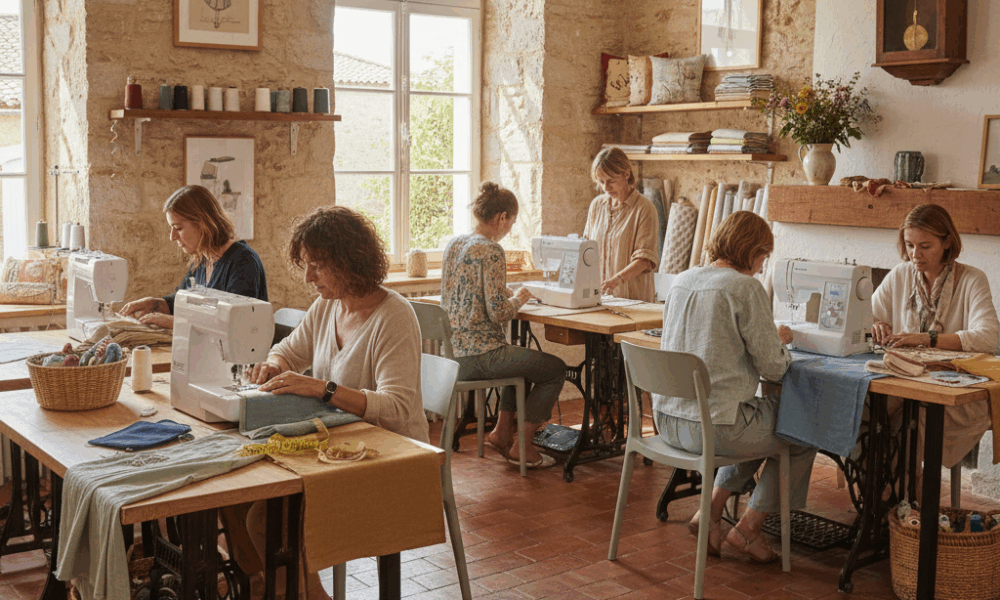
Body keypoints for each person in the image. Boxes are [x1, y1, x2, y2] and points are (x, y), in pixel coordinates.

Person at [233, 205, 427, 600]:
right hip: (339, 446)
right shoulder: (328, 306)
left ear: (349, 262)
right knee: (236, 498)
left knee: (267, 518)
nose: (308, 277)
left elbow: (397, 407)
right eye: (305, 265)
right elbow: (289, 350)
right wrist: (273, 364)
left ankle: (299, 592)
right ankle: (287, 588)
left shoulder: (394, 317)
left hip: (393, 460)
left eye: (317, 266)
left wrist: (323, 389)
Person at [655, 211, 817, 563]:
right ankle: (748, 529)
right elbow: (774, 367)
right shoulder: (745, 288)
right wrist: (779, 341)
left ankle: (710, 514)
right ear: (753, 251)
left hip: (667, 422)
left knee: (757, 420)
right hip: (713, 430)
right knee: (805, 427)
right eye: (763, 257)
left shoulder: (682, 280)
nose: (761, 267)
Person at [441, 181, 566, 469]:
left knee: (521, 361)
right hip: (481, 356)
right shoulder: (492, 250)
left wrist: (502, 292)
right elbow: (498, 313)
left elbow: (468, 291)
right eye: (511, 222)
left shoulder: (455, 243)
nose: (509, 228)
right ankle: (524, 447)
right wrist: (520, 297)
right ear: (502, 217)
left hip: (454, 355)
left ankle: (500, 432)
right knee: (554, 369)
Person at [871, 203, 999, 474]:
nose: (915, 254)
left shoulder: (972, 280)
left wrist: (927, 338)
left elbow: (989, 338)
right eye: (909, 245)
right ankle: (892, 491)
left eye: (925, 246)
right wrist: (876, 323)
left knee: (912, 422)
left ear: (947, 242)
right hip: (909, 381)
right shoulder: (901, 274)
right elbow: (864, 315)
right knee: (870, 412)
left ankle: (902, 494)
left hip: (955, 387)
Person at [121, 185, 267, 328]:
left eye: (178, 228)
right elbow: (184, 300)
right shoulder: (201, 260)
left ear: (202, 224)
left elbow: (235, 322)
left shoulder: (243, 261)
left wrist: (175, 322)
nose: (172, 237)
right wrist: (155, 303)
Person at [584, 148, 660, 301]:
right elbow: (585, 248)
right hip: (601, 298)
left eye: (611, 181)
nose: (606, 188)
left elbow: (645, 260)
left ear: (626, 174)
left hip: (633, 299)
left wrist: (617, 280)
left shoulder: (644, 208)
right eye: (601, 181)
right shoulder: (597, 206)